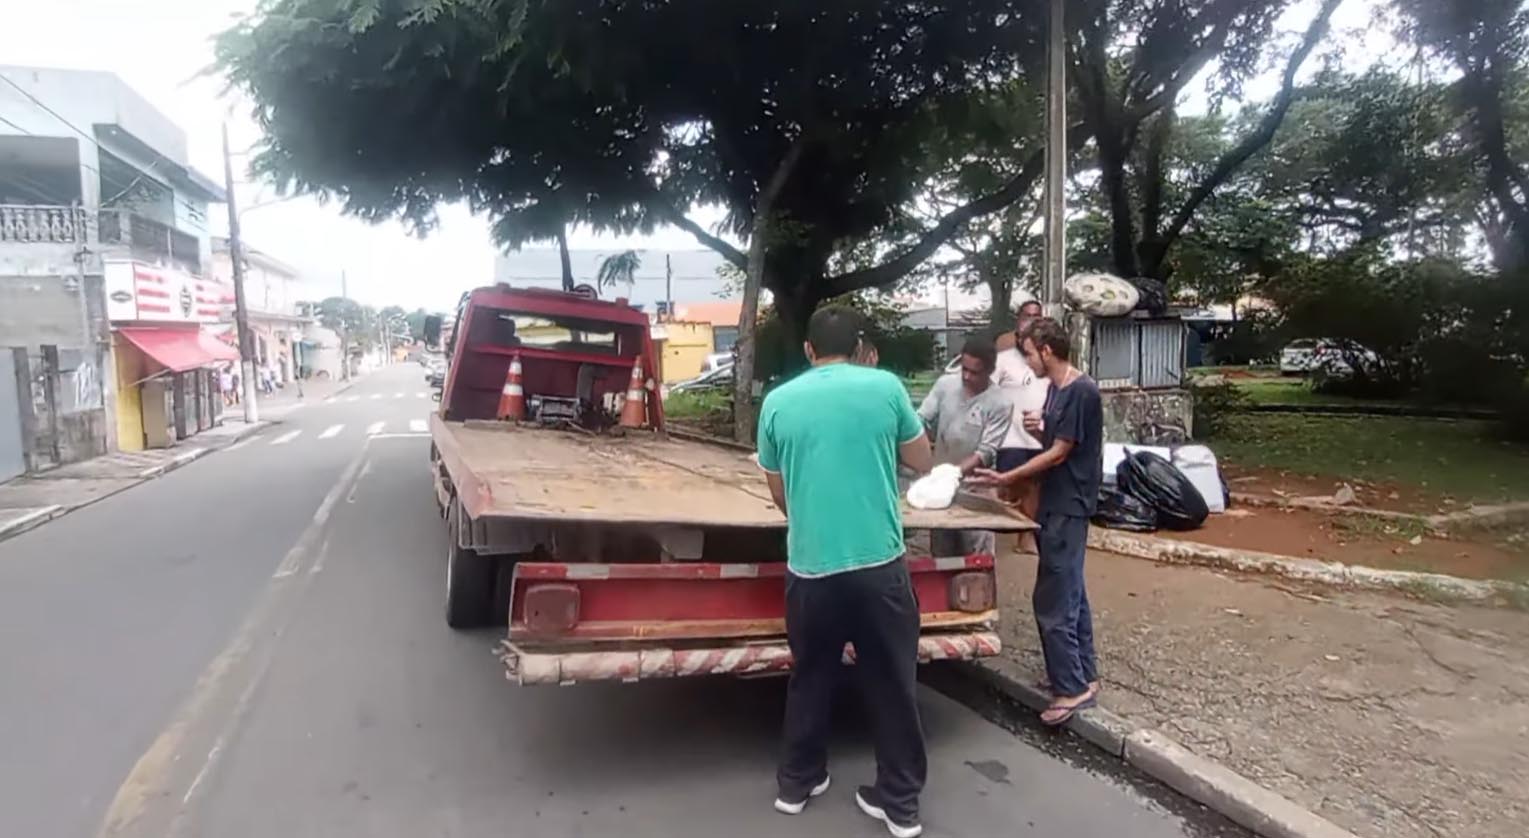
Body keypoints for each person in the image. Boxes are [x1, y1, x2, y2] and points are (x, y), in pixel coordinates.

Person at [757, 305, 933, 838]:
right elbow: (922, 462)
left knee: (810, 676)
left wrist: (813, 519)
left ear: (808, 350)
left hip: (810, 568)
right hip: (879, 565)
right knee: (891, 681)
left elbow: (779, 492)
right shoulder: (886, 389)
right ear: (859, 346)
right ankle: (900, 806)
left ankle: (796, 783)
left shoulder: (778, 403)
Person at [971, 317, 1104, 727]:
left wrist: (1008, 477)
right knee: (1070, 591)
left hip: (1070, 503)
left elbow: (1062, 452)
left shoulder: (1081, 390)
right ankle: (1083, 674)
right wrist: (1040, 427)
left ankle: (1071, 689)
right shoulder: (1056, 390)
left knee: (1053, 597)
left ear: (1047, 349)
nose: (1026, 363)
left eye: (1028, 353)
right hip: (1054, 500)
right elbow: (1058, 438)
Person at [916, 335, 1011, 557]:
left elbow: (986, 452)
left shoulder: (1001, 403)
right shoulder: (945, 385)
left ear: (990, 370)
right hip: (938, 488)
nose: (967, 376)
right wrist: (924, 458)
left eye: (974, 372)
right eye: (964, 370)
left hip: (977, 490)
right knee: (941, 557)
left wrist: (954, 473)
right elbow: (921, 419)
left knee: (978, 559)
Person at [992, 299, 1048, 551]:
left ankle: (1026, 536)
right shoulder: (1003, 359)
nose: (1032, 320)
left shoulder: (1048, 357)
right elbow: (988, 393)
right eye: (1027, 316)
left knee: (1034, 485)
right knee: (1013, 484)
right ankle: (1013, 523)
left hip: (1040, 433)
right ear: (1019, 319)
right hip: (1010, 435)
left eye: (1037, 316)